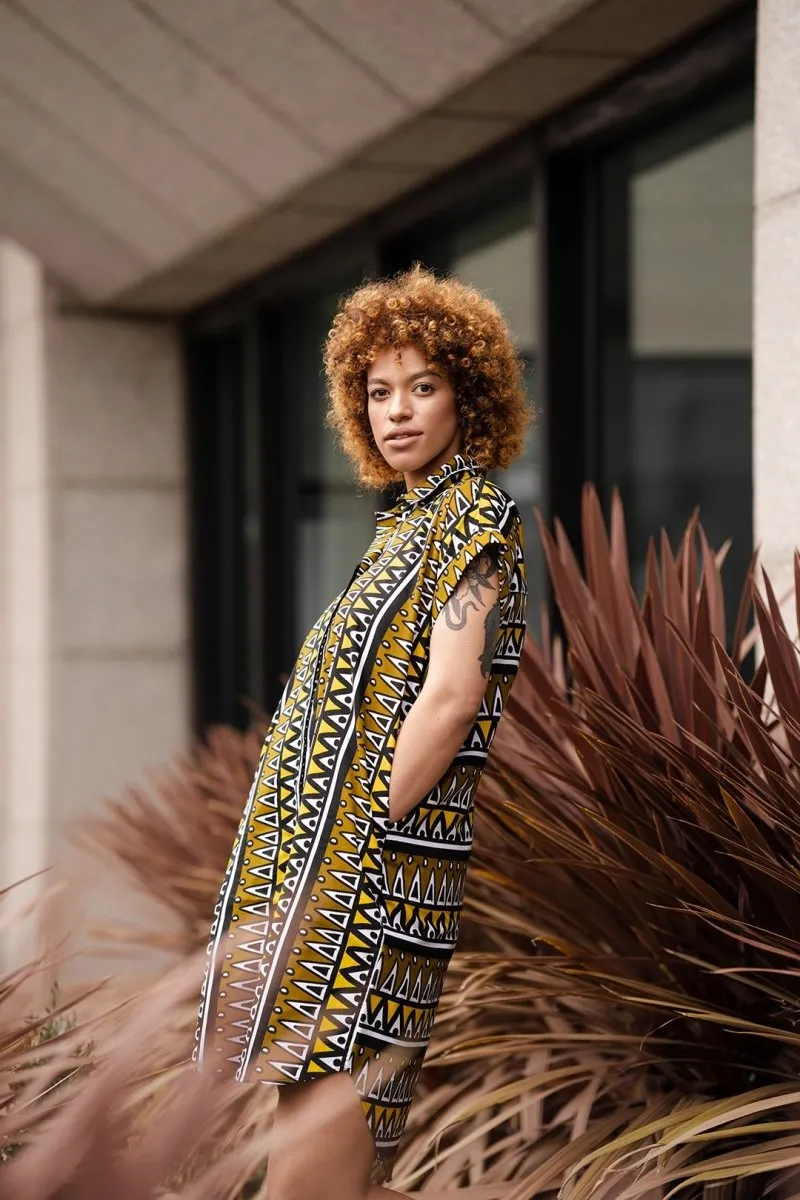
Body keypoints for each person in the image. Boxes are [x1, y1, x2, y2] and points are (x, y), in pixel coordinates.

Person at [193, 264, 531, 1199]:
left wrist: (353, 829)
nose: (399, 411)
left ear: (471, 393)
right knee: (322, 1139)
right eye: (378, 392)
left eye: (424, 386)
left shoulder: (474, 520)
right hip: (337, 873)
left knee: (317, 1150)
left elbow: (452, 696)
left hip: (377, 877)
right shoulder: (404, 527)